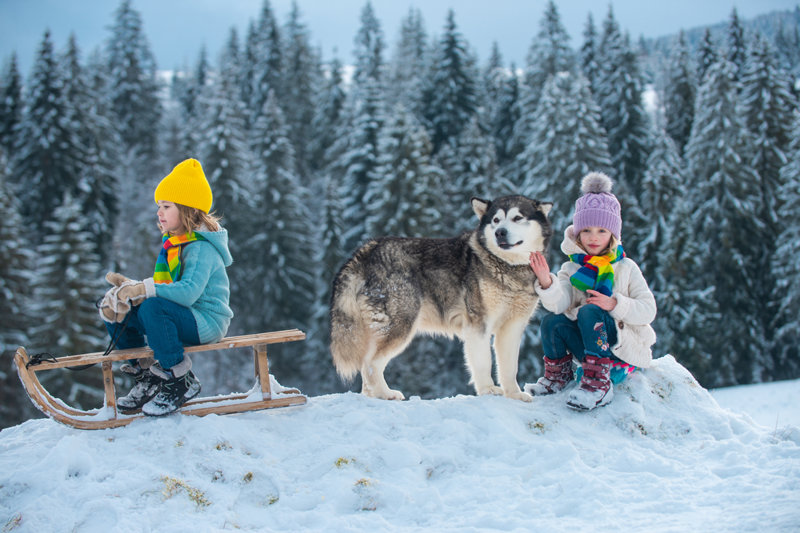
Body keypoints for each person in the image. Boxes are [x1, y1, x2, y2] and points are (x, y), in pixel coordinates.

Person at [99, 158, 233, 416]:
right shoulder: (174, 244)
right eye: (158, 206)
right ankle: (147, 377)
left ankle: (181, 380)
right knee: (119, 312)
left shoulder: (201, 247)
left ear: (188, 210)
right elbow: (163, 288)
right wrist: (129, 294)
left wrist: (144, 290)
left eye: (166, 206)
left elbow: (187, 292)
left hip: (207, 321)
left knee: (153, 307)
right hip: (182, 316)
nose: (158, 212)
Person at [525, 172, 656, 411]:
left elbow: (648, 310)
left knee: (590, 312)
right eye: (586, 231)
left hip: (620, 350)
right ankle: (558, 376)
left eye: (601, 231)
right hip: (589, 351)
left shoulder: (626, 267)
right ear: (577, 233)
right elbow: (560, 303)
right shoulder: (572, 268)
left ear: (613, 235)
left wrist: (615, 304)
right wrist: (547, 283)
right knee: (552, 322)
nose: (593, 238)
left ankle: (599, 385)